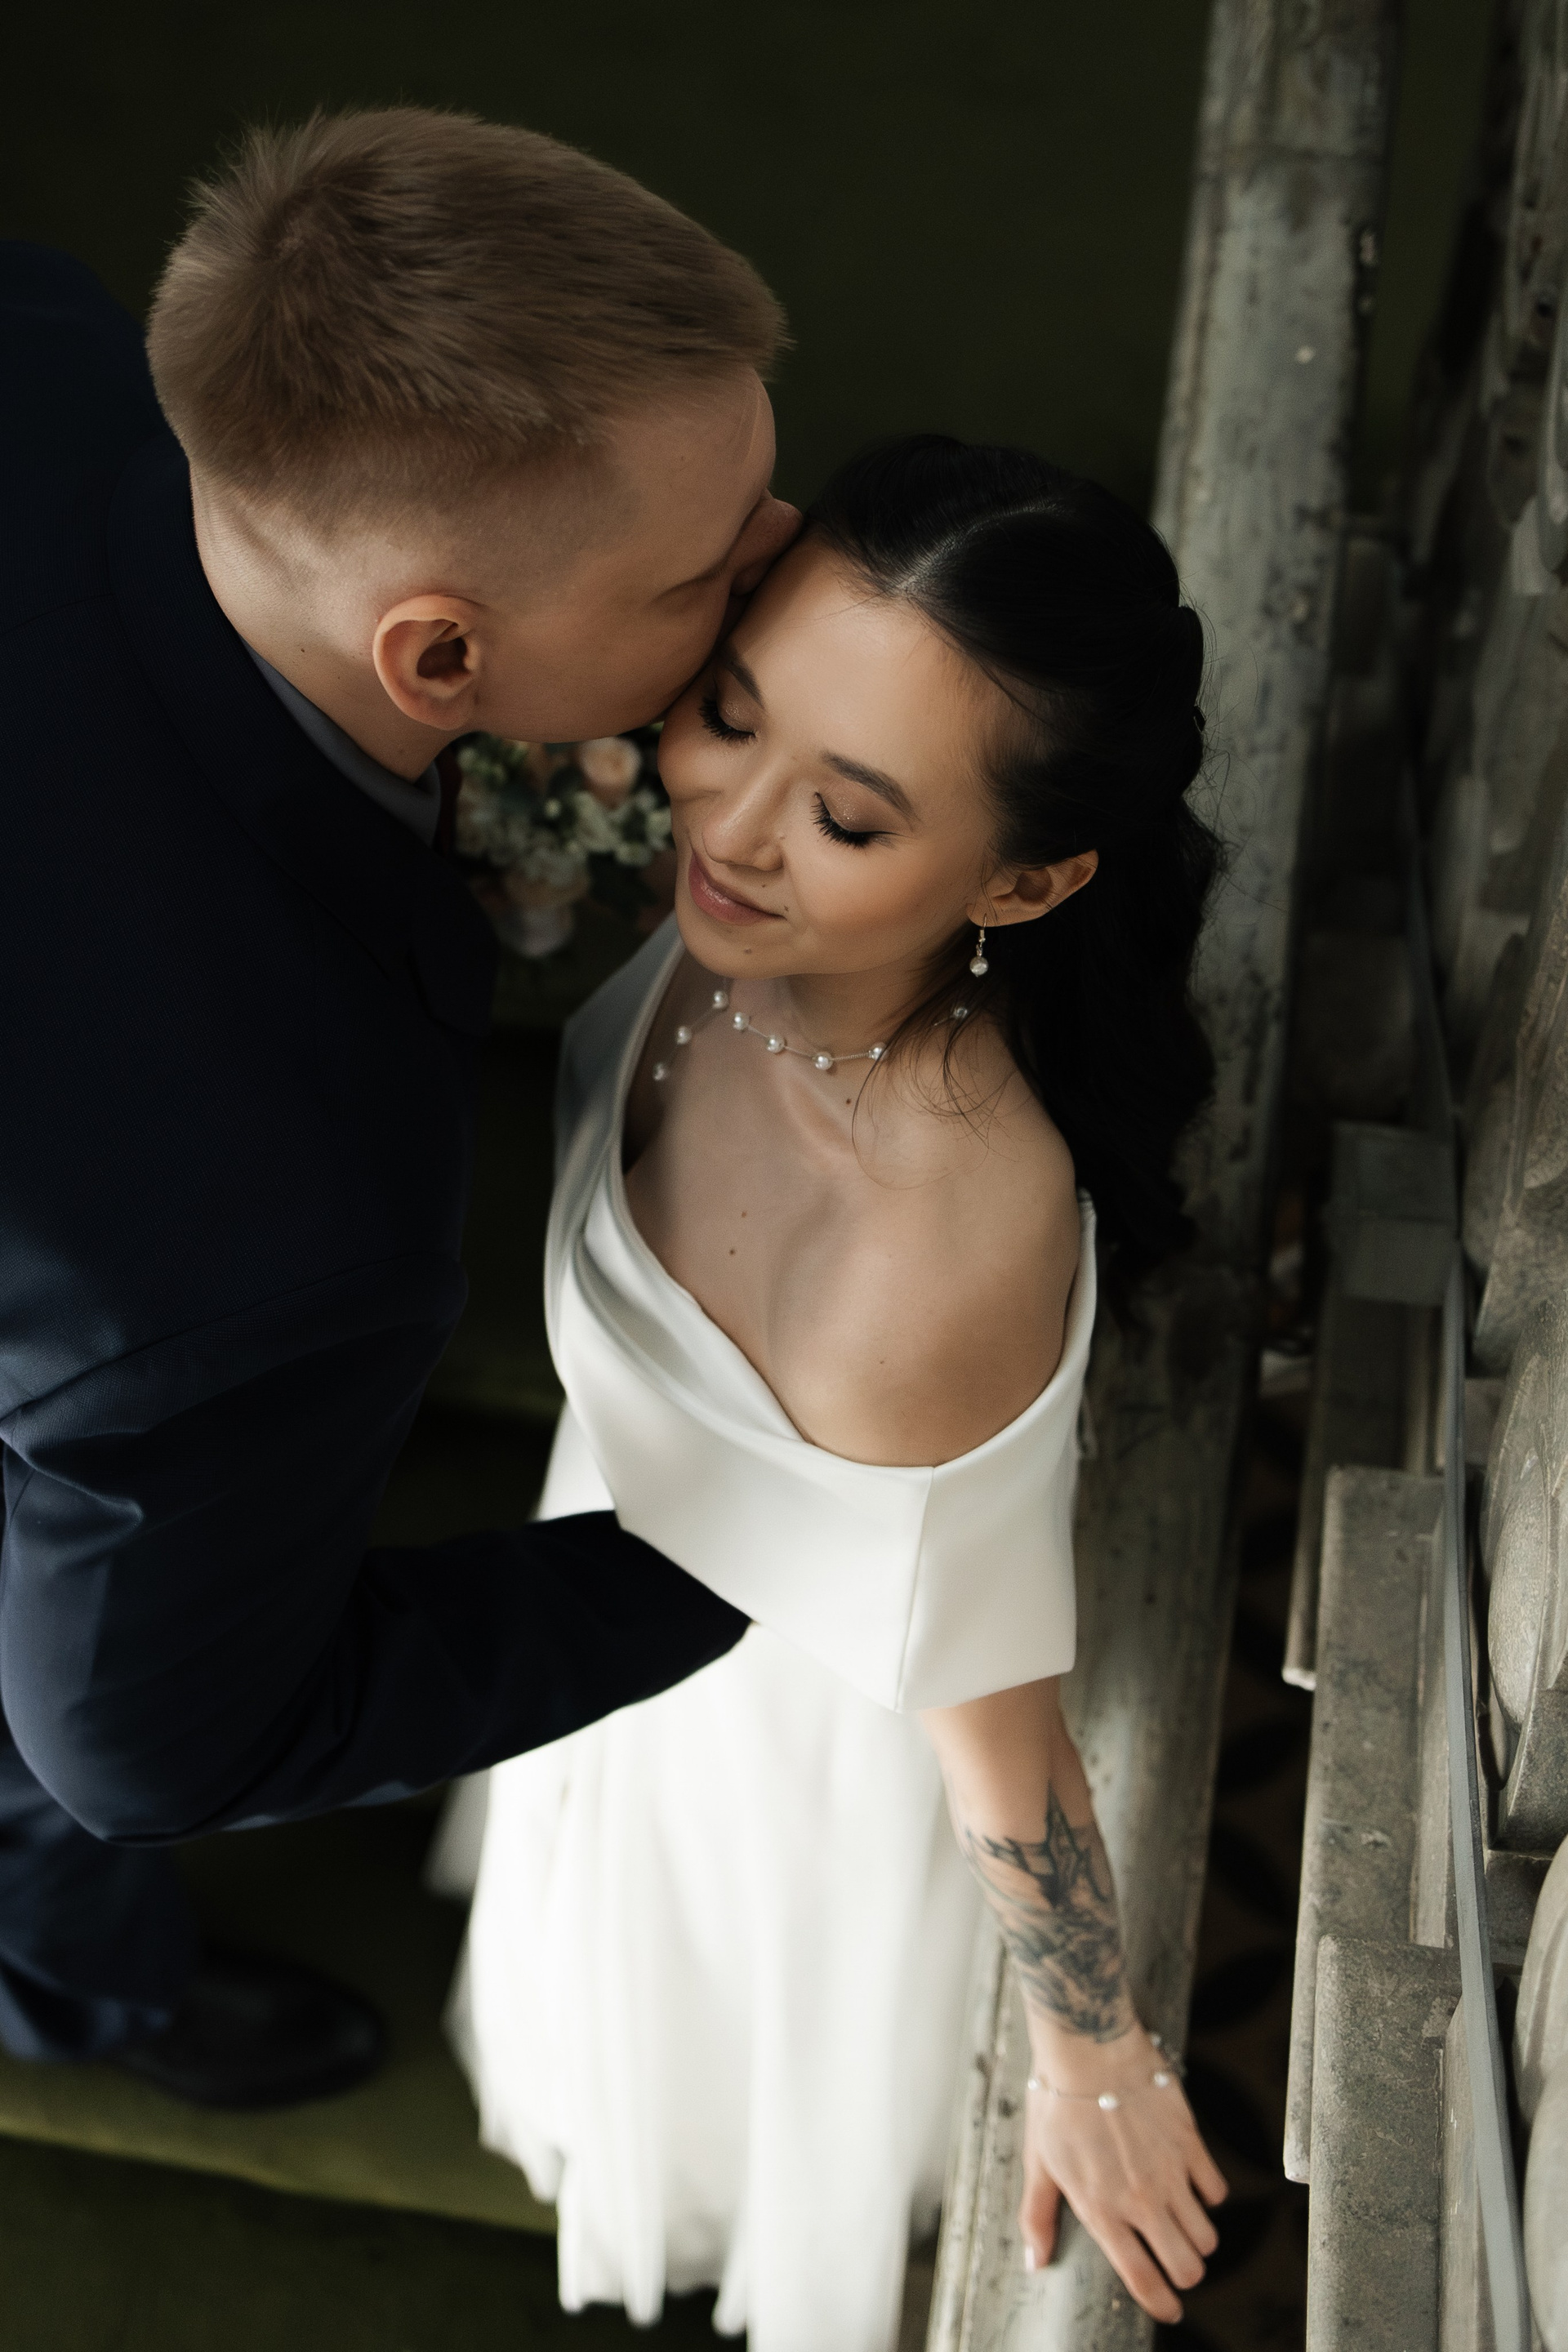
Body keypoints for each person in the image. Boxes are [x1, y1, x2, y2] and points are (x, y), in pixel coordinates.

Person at [0, 107, 800, 2101]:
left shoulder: (38, 330)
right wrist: (776, 1535)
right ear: (438, 651)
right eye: (707, 570)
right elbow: (158, 1744)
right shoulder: (272, 1211)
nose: (788, 568)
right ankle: (70, 1993)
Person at [443, 436, 1230, 2347]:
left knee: (709, 2024)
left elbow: (998, 1737)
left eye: (850, 817)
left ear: (1026, 880)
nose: (726, 822)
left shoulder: (927, 1256)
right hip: (612, 1560)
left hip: (770, 1719)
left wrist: (1097, 2052)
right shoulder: (754, 913)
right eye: (729, 710)